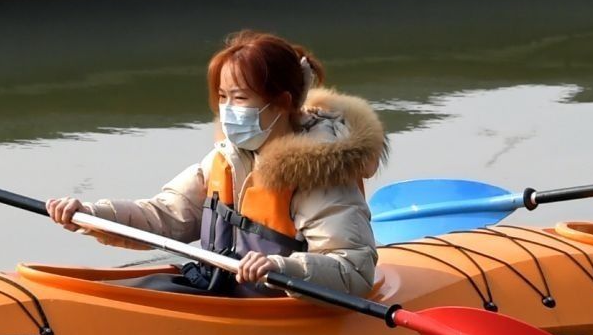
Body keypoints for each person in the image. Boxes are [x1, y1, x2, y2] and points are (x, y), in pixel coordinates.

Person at [47, 30, 385, 298]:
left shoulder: (319, 172)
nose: (227, 110)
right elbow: (164, 216)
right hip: (221, 290)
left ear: (281, 102)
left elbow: (353, 269)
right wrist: (92, 216)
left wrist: (281, 268)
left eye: (239, 98)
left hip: (276, 308)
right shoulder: (228, 157)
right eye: (222, 97)